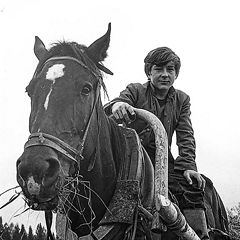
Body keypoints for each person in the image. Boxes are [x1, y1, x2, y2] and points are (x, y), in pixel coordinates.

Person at [104, 47, 210, 239]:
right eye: (158, 69)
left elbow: (186, 135)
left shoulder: (182, 99)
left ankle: (200, 235)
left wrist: (187, 165)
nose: (164, 74)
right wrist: (118, 105)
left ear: (176, 73)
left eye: (170, 69)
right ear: (148, 72)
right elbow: (119, 101)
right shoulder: (136, 90)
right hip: (133, 159)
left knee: (192, 185)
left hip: (163, 161)